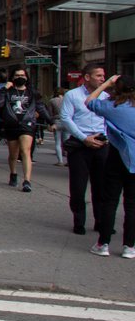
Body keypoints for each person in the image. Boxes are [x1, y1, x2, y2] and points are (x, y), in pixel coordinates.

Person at [83, 74, 135, 259]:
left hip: (116, 157)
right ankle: (129, 246)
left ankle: (103, 243)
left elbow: (89, 101)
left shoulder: (113, 106)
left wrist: (106, 83)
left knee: (110, 201)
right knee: (132, 205)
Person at [58, 63, 111, 235]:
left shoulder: (105, 96)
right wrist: (84, 138)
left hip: (101, 143)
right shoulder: (72, 95)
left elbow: (109, 120)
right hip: (80, 145)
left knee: (101, 186)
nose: (103, 79)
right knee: (78, 186)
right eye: (99, 76)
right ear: (87, 77)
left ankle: (101, 221)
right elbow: (66, 118)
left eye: (103, 76)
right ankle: (79, 221)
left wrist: (105, 138)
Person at [0, 65, 50, 192]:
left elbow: (40, 107)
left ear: (26, 77)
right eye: (17, 75)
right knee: (13, 154)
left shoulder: (32, 92)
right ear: (12, 77)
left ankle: (27, 180)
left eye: (22, 75)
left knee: (25, 151)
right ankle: (13, 174)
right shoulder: (8, 92)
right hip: (11, 125)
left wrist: (50, 121)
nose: (20, 77)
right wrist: (4, 89)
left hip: (27, 125)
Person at [49, 86, 67, 166]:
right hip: (67, 122)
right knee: (67, 142)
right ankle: (69, 160)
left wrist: (50, 123)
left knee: (58, 142)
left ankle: (60, 161)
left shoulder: (52, 101)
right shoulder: (67, 100)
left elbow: (50, 113)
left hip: (57, 121)